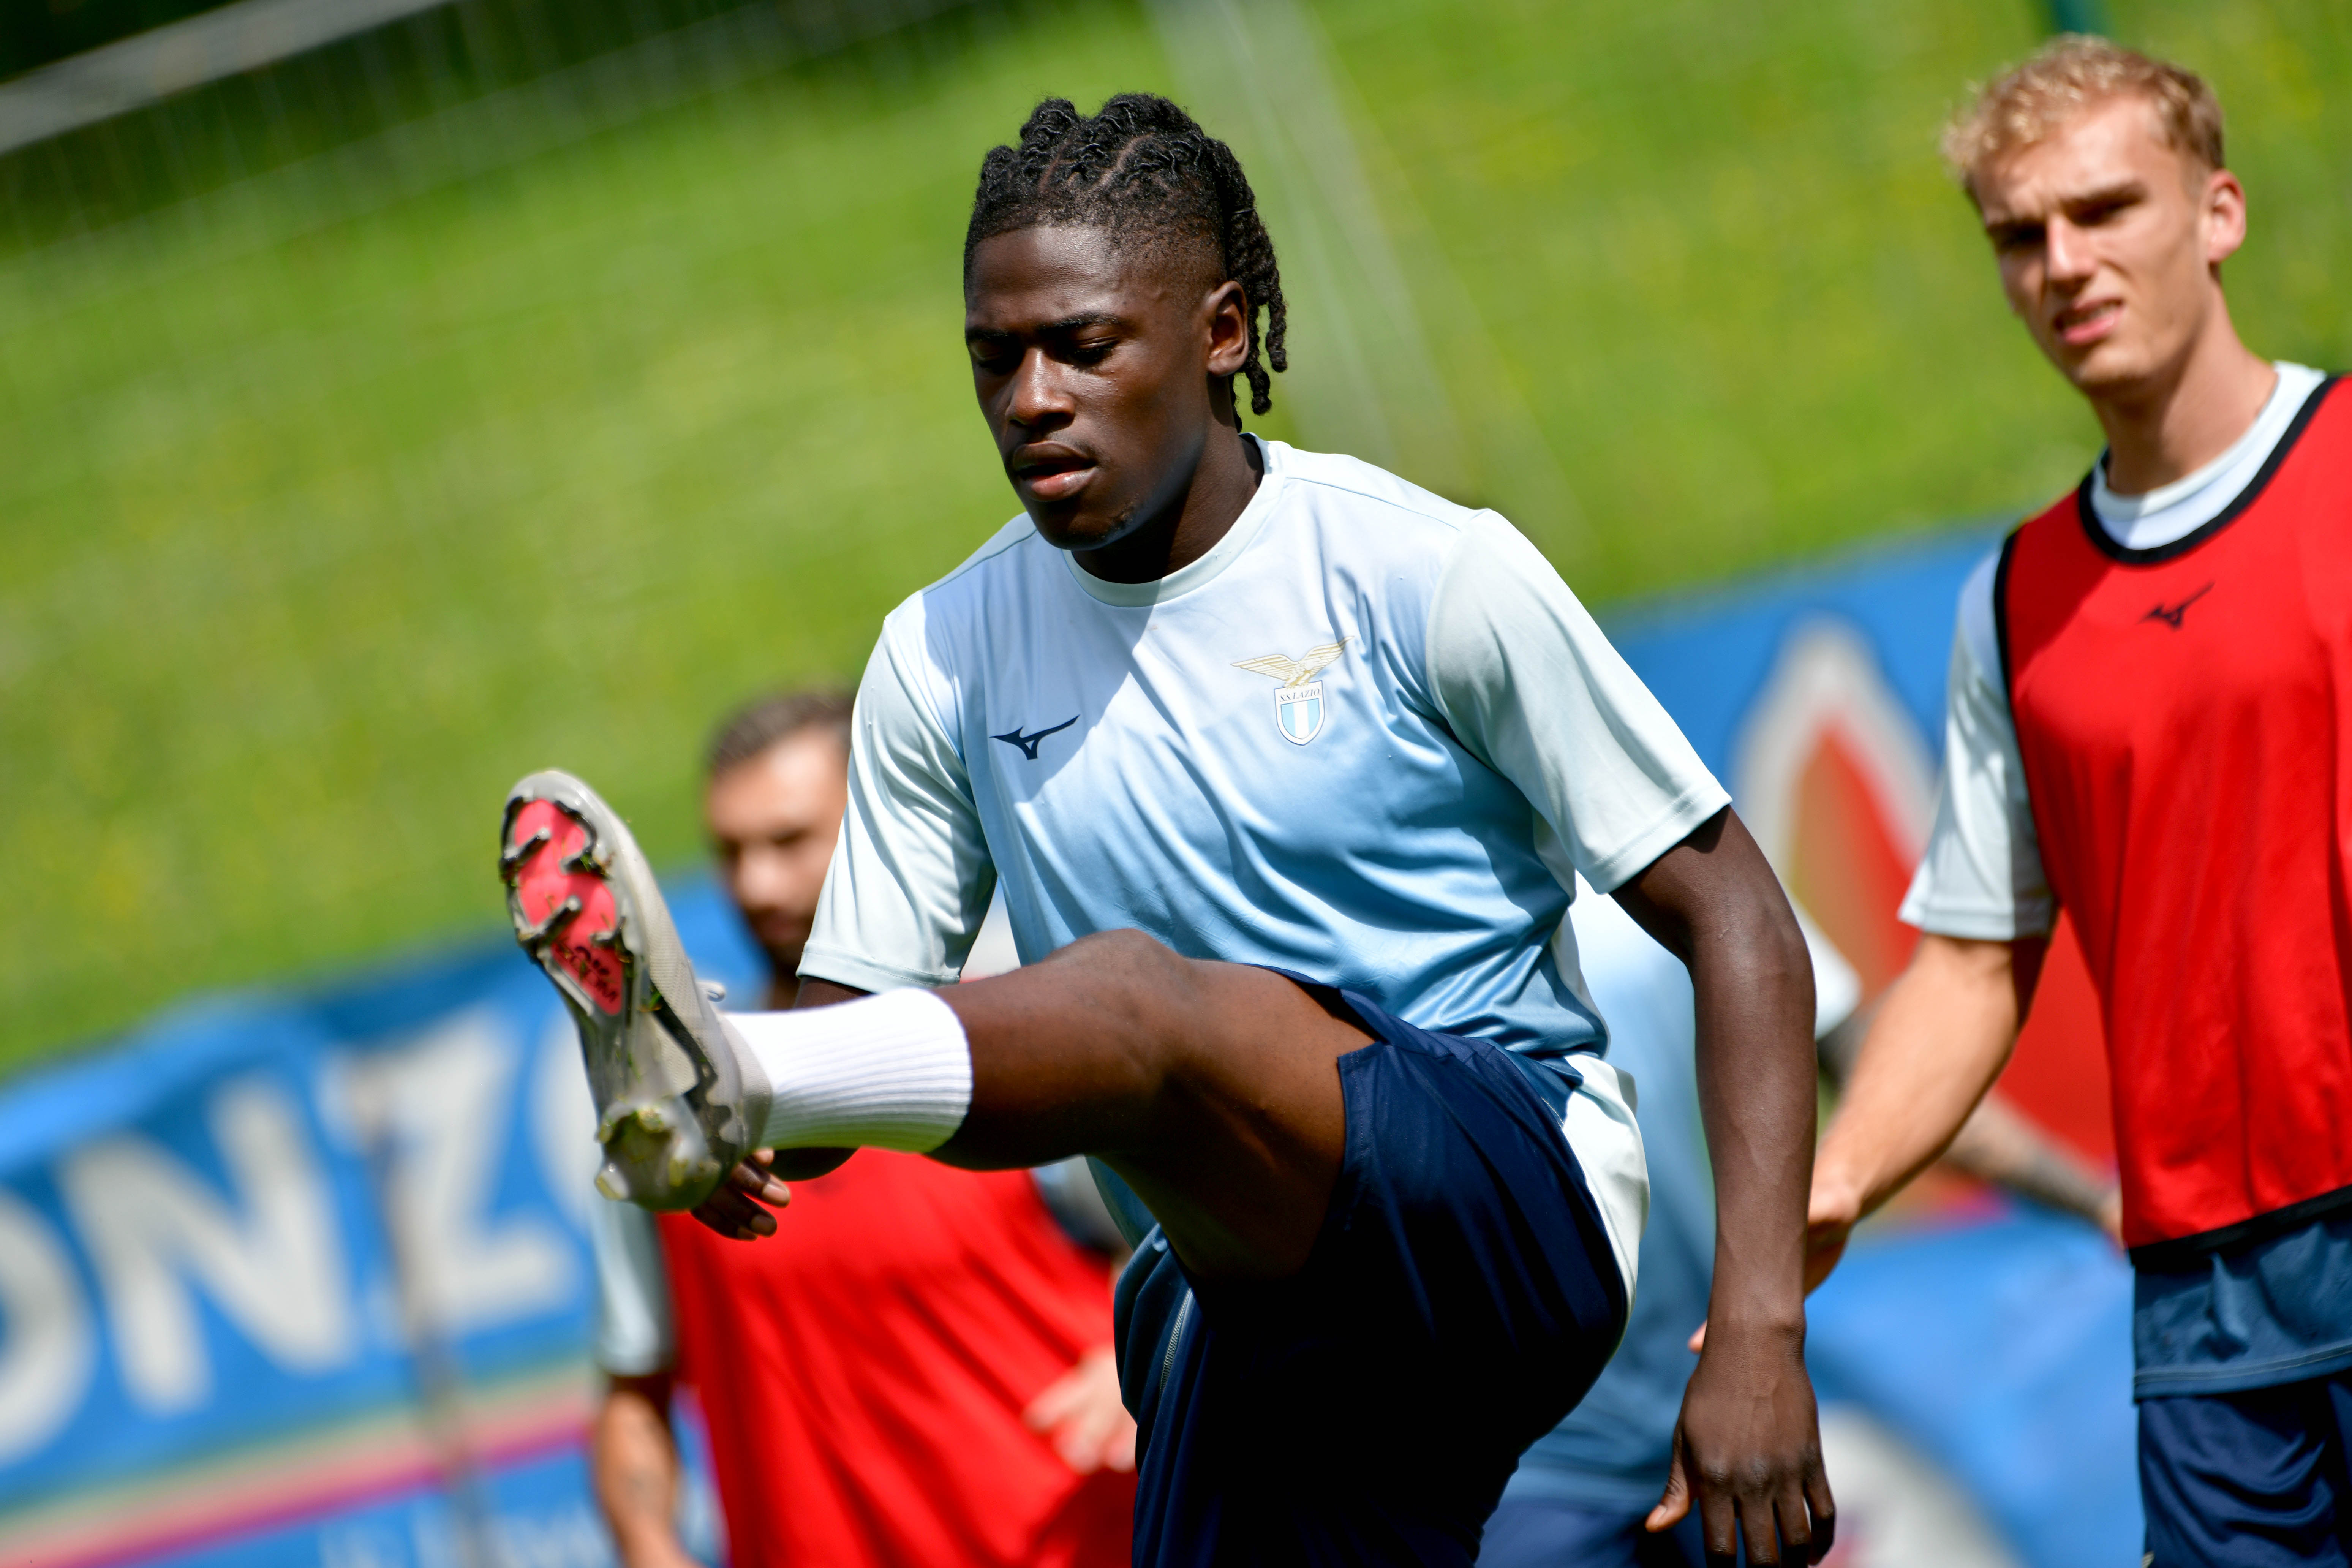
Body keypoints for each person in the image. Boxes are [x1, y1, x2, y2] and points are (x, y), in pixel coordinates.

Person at [506, 94, 1834, 1566]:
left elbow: (1741, 922)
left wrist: (1759, 1330)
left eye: (1081, 346)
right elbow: (862, 1041)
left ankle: (723, 1066)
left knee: (1133, 997)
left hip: (1502, 1205)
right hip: (1236, 1290)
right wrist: (762, 1128)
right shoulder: (943, 651)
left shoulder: (1420, 571)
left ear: (1217, 332)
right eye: (992, 356)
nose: (1030, 396)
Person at [1803, 38, 2352, 1567]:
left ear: (2220, 212)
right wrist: (1836, 1184)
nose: (2066, 264)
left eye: (2108, 211)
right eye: (2021, 235)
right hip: (2204, 1319)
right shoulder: (2018, 601)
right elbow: (1975, 960)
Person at [583, 690, 1138, 1568]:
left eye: (789, 842)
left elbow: (1193, 1240)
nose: (754, 884)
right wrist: (650, 1544)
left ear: (881, 824)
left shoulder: (1007, 1039)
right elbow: (632, 1392)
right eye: (731, 851)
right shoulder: (672, 1108)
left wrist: (1134, 1363)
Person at [1481, 895, 2115, 1568]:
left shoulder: (1693, 856)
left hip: (1718, 1436)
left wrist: (2099, 1198)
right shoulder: (1408, 875)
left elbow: (1890, 1080)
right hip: (1512, 1470)